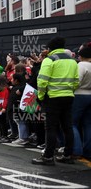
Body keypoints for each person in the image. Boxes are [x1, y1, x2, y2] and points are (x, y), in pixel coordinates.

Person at [32, 37, 79, 165]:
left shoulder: (49, 60)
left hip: (52, 98)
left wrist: (41, 97)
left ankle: (48, 157)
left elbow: (42, 81)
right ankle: (68, 155)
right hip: (68, 97)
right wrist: (70, 91)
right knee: (67, 127)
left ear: (50, 48)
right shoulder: (73, 61)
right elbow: (76, 81)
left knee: (50, 128)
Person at [72, 43, 91, 159]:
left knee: (72, 123)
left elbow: (76, 82)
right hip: (90, 95)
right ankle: (88, 151)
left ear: (81, 56)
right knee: (88, 124)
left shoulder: (81, 65)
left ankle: (76, 150)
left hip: (79, 95)